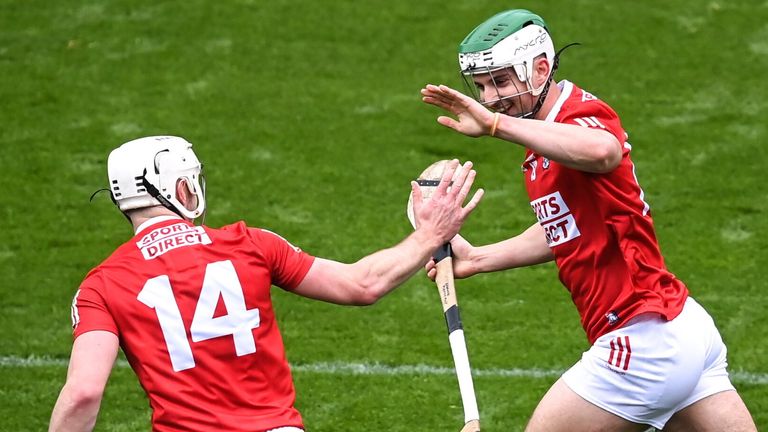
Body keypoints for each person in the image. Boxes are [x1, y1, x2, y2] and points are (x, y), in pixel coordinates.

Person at [420, 9, 757, 432]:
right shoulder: (543, 143)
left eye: (501, 81)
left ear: (540, 68)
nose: (490, 99)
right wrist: (481, 258)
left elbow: (604, 151)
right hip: (684, 328)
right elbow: (567, 227)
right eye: (484, 85)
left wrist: (495, 126)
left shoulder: (578, 116)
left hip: (641, 338)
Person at [49, 135, 484, 432]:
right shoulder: (248, 244)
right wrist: (430, 234)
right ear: (178, 187)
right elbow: (361, 284)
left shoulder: (100, 287)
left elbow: (84, 393)